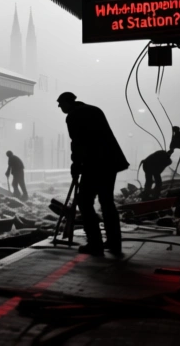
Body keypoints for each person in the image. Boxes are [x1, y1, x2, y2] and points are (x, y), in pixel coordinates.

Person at [57, 92, 129, 256]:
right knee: (107, 202)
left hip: (95, 163)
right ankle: (114, 242)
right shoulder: (95, 110)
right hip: (111, 161)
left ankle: (94, 243)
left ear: (67, 103)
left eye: (61, 105)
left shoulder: (73, 116)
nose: (60, 108)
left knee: (84, 201)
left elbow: (78, 142)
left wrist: (76, 165)